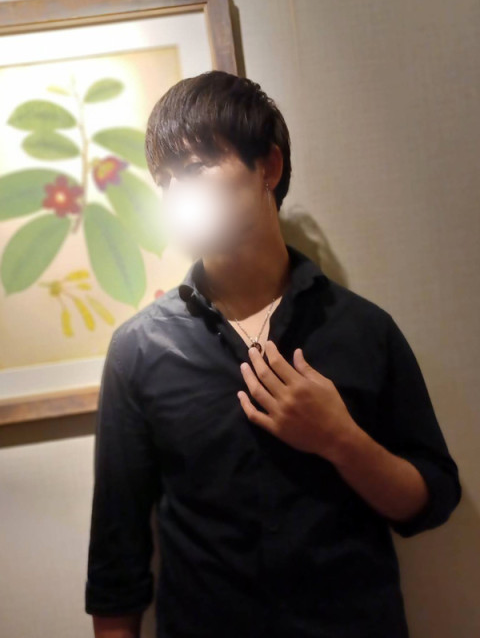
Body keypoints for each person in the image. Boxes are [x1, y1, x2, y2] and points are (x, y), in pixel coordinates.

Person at [85, 70, 462, 638]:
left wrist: (341, 440)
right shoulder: (139, 349)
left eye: (195, 168)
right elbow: (118, 560)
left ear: (269, 167)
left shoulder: (362, 330)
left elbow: (431, 502)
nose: (176, 192)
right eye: (165, 179)